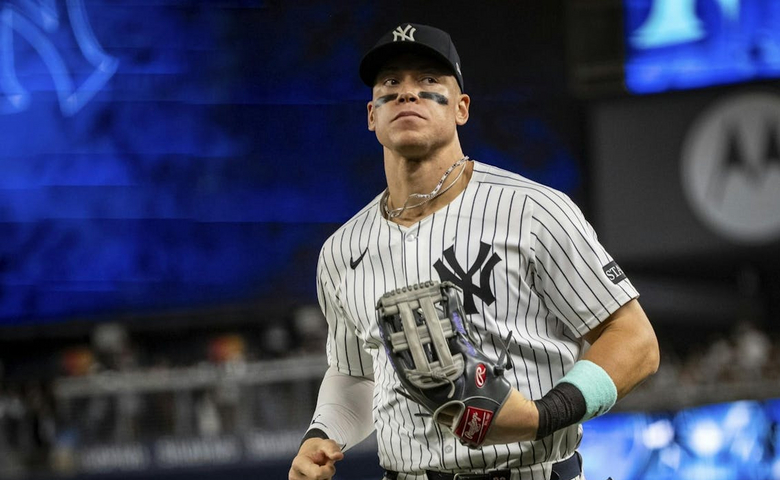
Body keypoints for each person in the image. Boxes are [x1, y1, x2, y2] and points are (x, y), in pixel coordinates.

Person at [289, 23, 660, 480]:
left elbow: (635, 341)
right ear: (372, 114)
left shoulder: (532, 211)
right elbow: (355, 374)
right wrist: (321, 435)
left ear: (461, 108)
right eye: (390, 83)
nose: (407, 92)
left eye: (428, 80)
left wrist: (543, 415)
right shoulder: (342, 250)